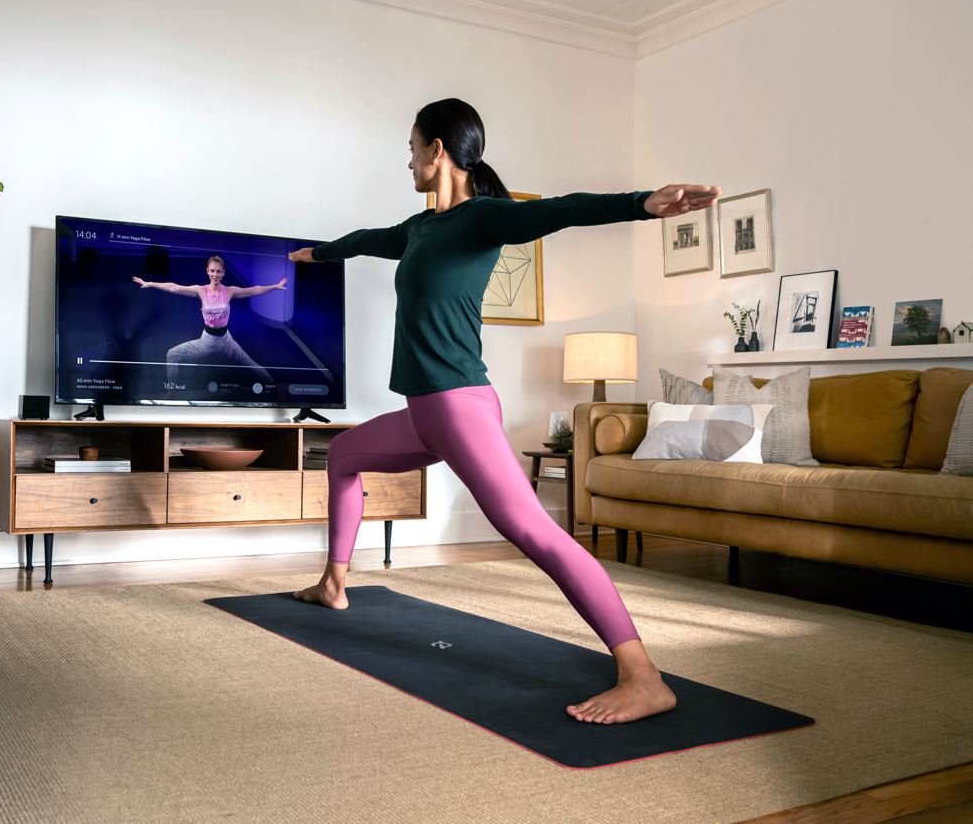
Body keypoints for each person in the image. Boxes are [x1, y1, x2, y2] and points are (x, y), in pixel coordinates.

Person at [287, 98, 721, 725]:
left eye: (412, 147)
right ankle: (333, 585)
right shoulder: (418, 229)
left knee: (533, 532)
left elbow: (561, 210)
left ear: (438, 150)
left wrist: (641, 202)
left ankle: (642, 675)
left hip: (458, 408)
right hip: (428, 412)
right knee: (347, 456)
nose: (406, 159)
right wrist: (315, 255)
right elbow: (367, 241)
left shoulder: (483, 219)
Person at [133, 255, 286, 389]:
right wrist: (150, 283)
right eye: (212, 271)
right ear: (207, 271)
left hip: (226, 340)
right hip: (207, 341)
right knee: (172, 355)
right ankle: (171, 391)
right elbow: (174, 287)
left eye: (218, 271)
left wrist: (275, 286)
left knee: (251, 364)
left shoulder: (229, 291)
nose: (215, 274)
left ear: (223, 273)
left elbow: (254, 290)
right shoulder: (201, 290)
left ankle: (277, 389)